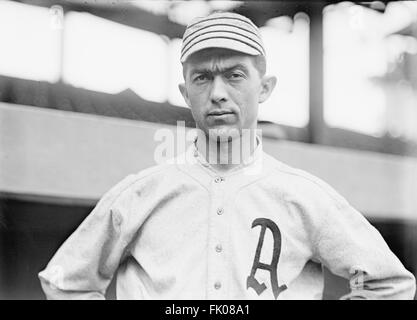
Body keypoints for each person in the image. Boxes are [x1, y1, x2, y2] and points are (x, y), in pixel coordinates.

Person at [39, 11, 416, 300]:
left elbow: (390, 283)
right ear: (186, 94)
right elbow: (66, 281)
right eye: (202, 77)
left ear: (264, 87)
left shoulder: (303, 196)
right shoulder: (142, 193)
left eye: (235, 75)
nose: (218, 93)